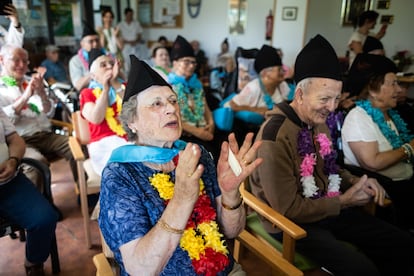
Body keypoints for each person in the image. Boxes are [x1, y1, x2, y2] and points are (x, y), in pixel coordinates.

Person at [250, 34, 414, 275]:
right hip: (291, 223)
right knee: (361, 269)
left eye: (337, 98)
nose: (333, 107)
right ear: (300, 95)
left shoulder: (319, 121)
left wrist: (356, 181)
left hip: (327, 207)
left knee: (401, 243)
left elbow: (330, 168)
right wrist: (345, 201)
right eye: (325, 98)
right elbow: (287, 209)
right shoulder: (274, 136)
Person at [98, 55, 262, 275]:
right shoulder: (120, 174)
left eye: (173, 101)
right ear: (132, 122)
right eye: (157, 104)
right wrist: (182, 198)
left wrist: (230, 193)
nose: (171, 109)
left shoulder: (197, 154)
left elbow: (232, 231)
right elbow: (140, 269)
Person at [342, 53, 414, 231]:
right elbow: (371, 162)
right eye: (393, 83)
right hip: (390, 188)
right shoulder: (359, 117)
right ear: (373, 89)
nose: (399, 90)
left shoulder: (391, 114)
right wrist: (409, 149)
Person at [0, 44, 77, 183]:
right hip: (21, 140)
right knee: (37, 164)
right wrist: (26, 96)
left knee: (77, 148)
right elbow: (7, 121)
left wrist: (42, 94)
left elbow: (49, 113)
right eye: (16, 60)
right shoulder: (1, 89)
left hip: (45, 134)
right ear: (2, 60)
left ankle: (84, 193)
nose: (21, 65)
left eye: (25, 61)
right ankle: (44, 203)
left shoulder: (30, 82)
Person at [0, 108, 58, 276]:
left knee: (45, 219)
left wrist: (13, 161)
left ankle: (33, 262)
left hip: (10, 183)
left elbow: (15, 140)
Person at [168, 35, 221, 161]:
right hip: (184, 134)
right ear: (175, 63)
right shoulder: (168, 87)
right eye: (186, 62)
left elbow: (205, 106)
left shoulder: (196, 84)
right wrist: (197, 131)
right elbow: (171, 116)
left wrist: (211, 123)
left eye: (193, 62)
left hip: (203, 130)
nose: (191, 66)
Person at [79, 48, 128, 175]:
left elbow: (134, 110)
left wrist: (115, 83)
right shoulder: (87, 93)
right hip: (103, 145)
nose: (109, 67)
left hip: (130, 139)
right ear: (94, 76)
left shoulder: (123, 88)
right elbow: (96, 118)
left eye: (112, 64)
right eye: (103, 65)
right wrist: (106, 89)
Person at [69, 23, 102, 92]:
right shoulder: (75, 61)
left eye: (97, 40)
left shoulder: (107, 56)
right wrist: (96, 72)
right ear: (82, 44)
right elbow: (77, 86)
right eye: (91, 41)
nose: (95, 44)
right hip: (88, 96)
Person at [117, 7, 143, 76]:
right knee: (126, 66)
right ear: (125, 15)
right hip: (125, 47)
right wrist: (128, 42)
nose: (130, 16)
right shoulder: (120, 25)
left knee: (136, 64)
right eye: (129, 15)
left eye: (131, 15)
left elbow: (140, 35)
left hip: (135, 46)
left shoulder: (136, 23)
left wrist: (135, 41)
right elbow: (118, 37)